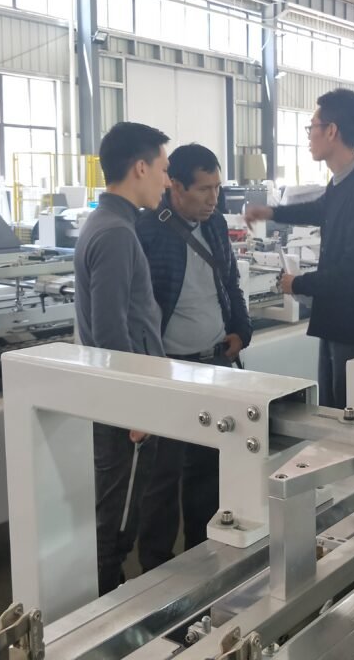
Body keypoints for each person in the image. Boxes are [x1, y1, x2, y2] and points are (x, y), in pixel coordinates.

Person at [134, 142, 253, 571]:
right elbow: (139, 309)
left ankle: (203, 557)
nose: (213, 198)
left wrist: (241, 330)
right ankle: (157, 569)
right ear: (175, 186)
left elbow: (230, 283)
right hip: (172, 369)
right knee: (163, 477)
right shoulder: (148, 231)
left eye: (217, 188)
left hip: (216, 364)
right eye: (204, 189)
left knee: (209, 470)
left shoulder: (216, 224)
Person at [245, 88, 354, 409]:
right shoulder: (344, 181)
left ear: (331, 131)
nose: (309, 137)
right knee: (331, 414)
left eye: (312, 127)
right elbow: (321, 209)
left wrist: (298, 284)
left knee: (352, 419)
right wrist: (271, 212)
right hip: (339, 320)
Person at [73, 121, 171, 595]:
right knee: (115, 524)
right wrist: (134, 407)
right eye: (163, 170)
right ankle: (103, 612)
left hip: (120, 394)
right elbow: (110, 328)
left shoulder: (110, 224)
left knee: (115, 515)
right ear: (140, 168)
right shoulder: (115, 233)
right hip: (124, 408)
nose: (167, 181)